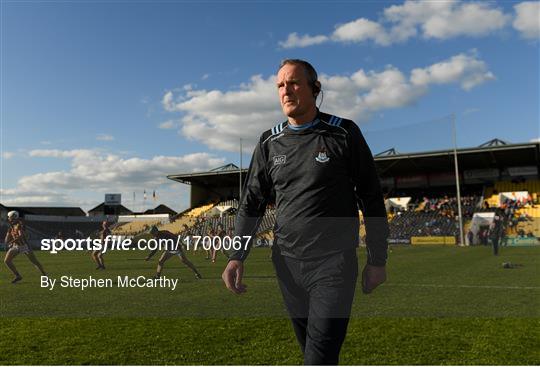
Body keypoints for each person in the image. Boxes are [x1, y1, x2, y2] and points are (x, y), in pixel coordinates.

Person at [221, 59, 389, 365]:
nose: (286, 91)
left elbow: (371, 198)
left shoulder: (344, 133)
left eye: (294, 83)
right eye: (281, 85)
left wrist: (378, 260)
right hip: (286, 264)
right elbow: (252, 202)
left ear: (315, 88)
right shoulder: (269, 142)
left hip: (333, 264)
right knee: (312, 352)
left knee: (319, 357)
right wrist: (236, 256)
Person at [4, 211, 47, 283]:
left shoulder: (19, 225)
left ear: (12, 217)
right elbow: (7, 239)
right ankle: (18, 276)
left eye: (9, 217)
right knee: (7, 261)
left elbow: (21, 236)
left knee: (35, 262)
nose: (8, 218)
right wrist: (8, 239)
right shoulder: (11, 226)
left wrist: (12, 241)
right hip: (16, 246)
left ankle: (45, 277)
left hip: (24, 246)